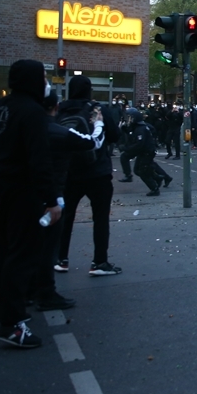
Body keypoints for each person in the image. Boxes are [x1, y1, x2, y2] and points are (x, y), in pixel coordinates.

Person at [0, 59, 60, 348]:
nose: (46, 81)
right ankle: (11, 323)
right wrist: (51, 200)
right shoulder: (33, 112)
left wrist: (4, 143)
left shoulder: (0, 106)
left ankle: (2, 313)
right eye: (43, 77)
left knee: (7, 251)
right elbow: (39, 160)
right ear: (34, 80)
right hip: (22, 189)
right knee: (22, 255)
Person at [31, 90, 103, 313]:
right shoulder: (57, 131)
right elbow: (92, 143)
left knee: (24, 247)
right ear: (54, 108)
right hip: (53, 192)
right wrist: (99, 123)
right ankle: (45, 292)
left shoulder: (27, 129)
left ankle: (22, 295)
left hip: (22, 193)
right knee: (48, 241)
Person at [56, 75, 122, 276]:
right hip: (97, 171)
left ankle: (61, 258)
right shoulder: (97, 110)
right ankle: (99, 262)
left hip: (68, 172)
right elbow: (115, 136)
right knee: (100, 217)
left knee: (65, 217)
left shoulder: (60, 110)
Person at [122, 108, 171, 196]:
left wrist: (127, 149)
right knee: (138, 170)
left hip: (147, 152)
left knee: (143, 171)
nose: (128, 120)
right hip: (144, 152)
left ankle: (154, 188)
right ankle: (158, 177)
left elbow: (138, 144)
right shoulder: (137, 127)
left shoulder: (141, 129)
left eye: (130, 118)